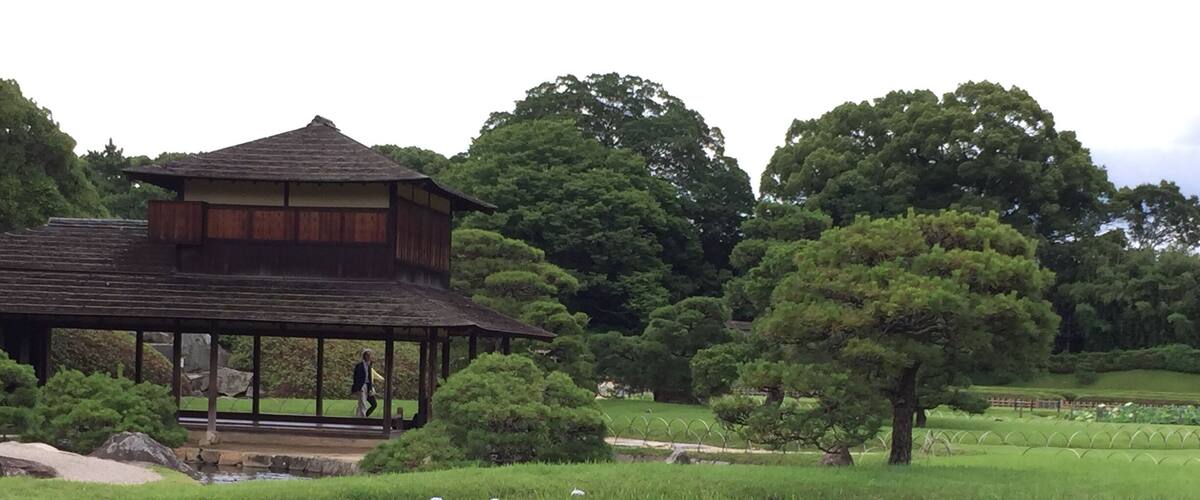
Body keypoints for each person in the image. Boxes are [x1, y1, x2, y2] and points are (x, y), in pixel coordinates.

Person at [351, 349, 379, 417]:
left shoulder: (369, 366)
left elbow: (369, 378)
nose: (369, 356)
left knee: (373, 404)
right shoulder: (359, 366)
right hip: (361, 386)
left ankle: (360, 417)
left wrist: (370, 388)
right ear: (365, 356)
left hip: (368, 386)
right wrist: (357, 388)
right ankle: (363, 418)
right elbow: (356, 378)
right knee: (362, 402)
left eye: (370, 355)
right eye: (368, 355)